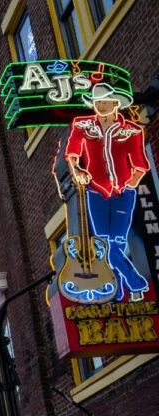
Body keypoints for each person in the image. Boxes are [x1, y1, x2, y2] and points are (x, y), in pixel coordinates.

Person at [65, 82, 151, 302]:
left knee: (115, 244)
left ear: (115, 104)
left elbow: (140, 165)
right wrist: (77, 171)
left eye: (105, 101)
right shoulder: (82, 126)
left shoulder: (131, 130)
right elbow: (72, 154)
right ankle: (134, 285)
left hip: (123, 194)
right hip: (96, 193)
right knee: (105, 245)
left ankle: (119, 290)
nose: (102, 105)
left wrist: (129, 184)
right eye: (98, 102)